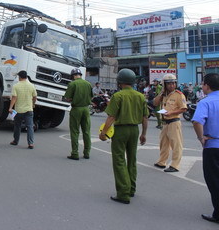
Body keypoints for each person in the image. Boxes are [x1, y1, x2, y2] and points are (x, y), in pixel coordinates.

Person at [99, 68, 148, 204]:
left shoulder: (118, 96)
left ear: (119, 81)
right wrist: (143, 134)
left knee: (119, 160)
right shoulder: (140, 96)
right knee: (132, 159)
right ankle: (131, 188)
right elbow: (145, 118)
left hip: (120, 131)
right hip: (134, 130)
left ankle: (123, 193)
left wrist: (104, 133)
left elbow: (111, 116)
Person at [192, 73, 219, 224]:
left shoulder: (205, 102)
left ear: (207, 86)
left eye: (203, 84)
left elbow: (197, 122)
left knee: (214, 181)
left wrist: (201, 138)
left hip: (213, 146)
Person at [152, 74, 187, 173]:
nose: (171, 85)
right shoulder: (164, 95)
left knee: (176, 144)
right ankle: (162, 162)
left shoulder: (179, 95)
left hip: (174, 122)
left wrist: (171, 113)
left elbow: (183, 108)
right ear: (164, 84)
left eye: (173, 83)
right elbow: (155, 103)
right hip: (165, 123)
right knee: (163, 143)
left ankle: (175, 165)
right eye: (169, 84)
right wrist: (161, 93)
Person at [64, 68, 93, 160]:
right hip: (86, 109)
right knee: (87, 131)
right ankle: (87, 153)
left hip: (76, 109)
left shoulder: (72, 84)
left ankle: (75, 153)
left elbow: (67, 98)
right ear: (80, 75)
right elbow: (91, 97)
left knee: (75, 131)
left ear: (73, 76)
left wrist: (74, 99)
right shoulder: (88, 84)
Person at [8, 70, 37, 149]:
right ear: (26, 77)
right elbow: (35, 97)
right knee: (30, 126)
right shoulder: (32, 85)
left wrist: (10, 107)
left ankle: (15, 141)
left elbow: (14, 98)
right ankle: (30, 143)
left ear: (20, 77)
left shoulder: (16, 86)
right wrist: (33, 103)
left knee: (17, 126)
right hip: (29, 109)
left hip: (19, 110)